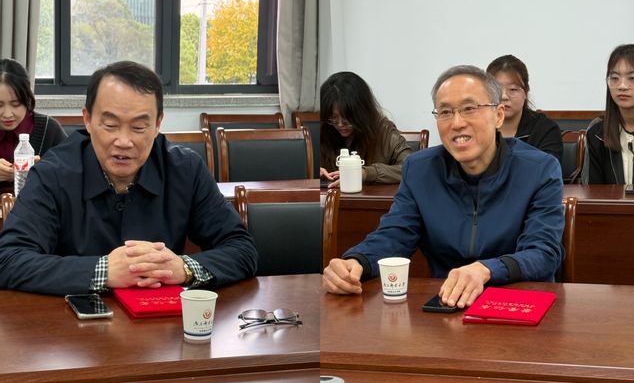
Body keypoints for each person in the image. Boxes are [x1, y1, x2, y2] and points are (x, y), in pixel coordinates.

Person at [0, 61, 257, 295]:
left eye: (138, 127)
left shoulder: (185, 169)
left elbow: (242, 249)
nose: (123, 141)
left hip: (164, 323)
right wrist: (103, 271)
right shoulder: (52, 173)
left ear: (158, 124)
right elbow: (9, 259)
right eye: (110, 125)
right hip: (73, 324)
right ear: (87, 119)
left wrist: (183, 268)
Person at [322, 65, 564, 308]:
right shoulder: (420, 170)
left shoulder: (539, 169)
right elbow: (394, 235)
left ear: (498, 115)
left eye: (469, 109)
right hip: (446, 303)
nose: (457, 123)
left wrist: (486, 270)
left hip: (517, 302)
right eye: (445, 112)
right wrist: (356, 262)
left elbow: (543, 252)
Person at [320, 71, 412, 188]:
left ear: (362, 112)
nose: (340, 124)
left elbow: (411, 168)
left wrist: (366, 173)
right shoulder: (324, 129)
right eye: (333, 118)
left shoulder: (384, 131)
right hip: (331, 198)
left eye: (346, 118)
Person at [0, 58, 66, 187]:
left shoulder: (48, 129)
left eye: (16, 104)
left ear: (28, 99)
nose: (7, 114)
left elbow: (73, 174)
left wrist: (41, 170)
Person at [486, 55, 562, 162]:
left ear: (525, 92)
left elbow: (547, 168)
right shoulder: (477, 126)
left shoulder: (545, 130)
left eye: (513, 89)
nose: (504, 96)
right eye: (497, 90)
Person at [584, 44, 634, 184]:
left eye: (632, 78)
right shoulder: (597, 134)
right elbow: (592, 191)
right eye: (614, 78)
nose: (622, 86)